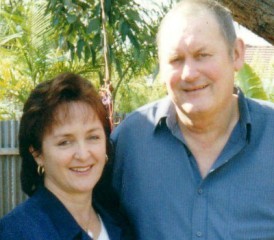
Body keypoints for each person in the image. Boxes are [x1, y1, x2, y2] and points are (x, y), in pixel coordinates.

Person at [103, 0, 274, 239]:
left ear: (236, 54)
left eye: (202, 55)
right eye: (176, 60)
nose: (189, 73)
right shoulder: (130, 142)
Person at [0, 73, 128, 239]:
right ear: (37, 153)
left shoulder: (119, 225)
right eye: (65, 142)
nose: (83, 155)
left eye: (93, 137)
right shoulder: (16, 233)